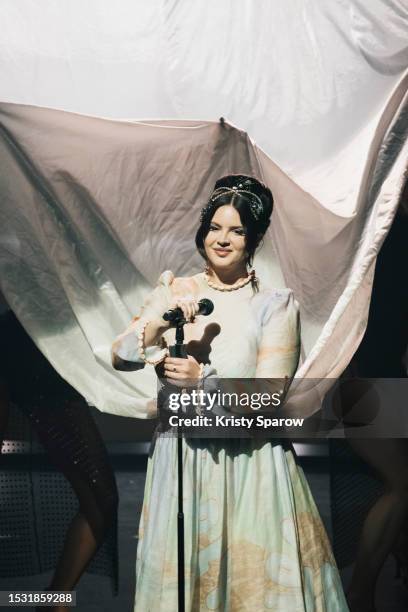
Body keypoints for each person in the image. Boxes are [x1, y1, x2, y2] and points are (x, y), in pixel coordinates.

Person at [112, 174, 349, 611]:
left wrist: (201, 382)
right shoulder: (175, 290)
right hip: (182, 460)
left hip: (249, 464)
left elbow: (269, 397)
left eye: (237, 230)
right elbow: (121, 354)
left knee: (249, 587)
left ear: (253, 238)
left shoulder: (274, 304)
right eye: (215, 227)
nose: (222, 239)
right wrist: (164, 321)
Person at [0, 310, 118, 612]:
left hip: (46, 357)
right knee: (101, 497)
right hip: (26, 349)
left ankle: (54, 601)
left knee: (102, 498)